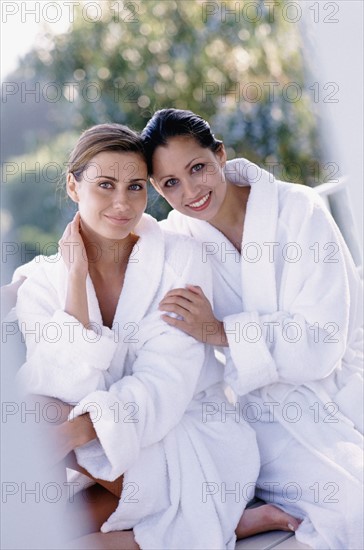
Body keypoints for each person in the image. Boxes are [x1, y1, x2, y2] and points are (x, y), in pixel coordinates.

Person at [11, 123, 299, 550]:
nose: (122, 203)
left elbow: (164, 385)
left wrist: (79, 431)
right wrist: (75, 282)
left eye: (135, 187)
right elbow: (63, 389)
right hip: (112, 453)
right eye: (105, 185)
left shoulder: (179, 259)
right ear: (73, 186)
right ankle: (220, 524)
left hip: (185, 438)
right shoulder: (43, 284)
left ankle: (211, 514)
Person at [141, 108, 364, 550]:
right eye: (170, 184)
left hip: (344, 385)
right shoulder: (179, 243)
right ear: (156, 189)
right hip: (270, 421)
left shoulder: (299, 210)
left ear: (220, 155)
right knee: (353, 505)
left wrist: (222, 332)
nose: (190, 191)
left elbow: (321, 342)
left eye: (197, 168)